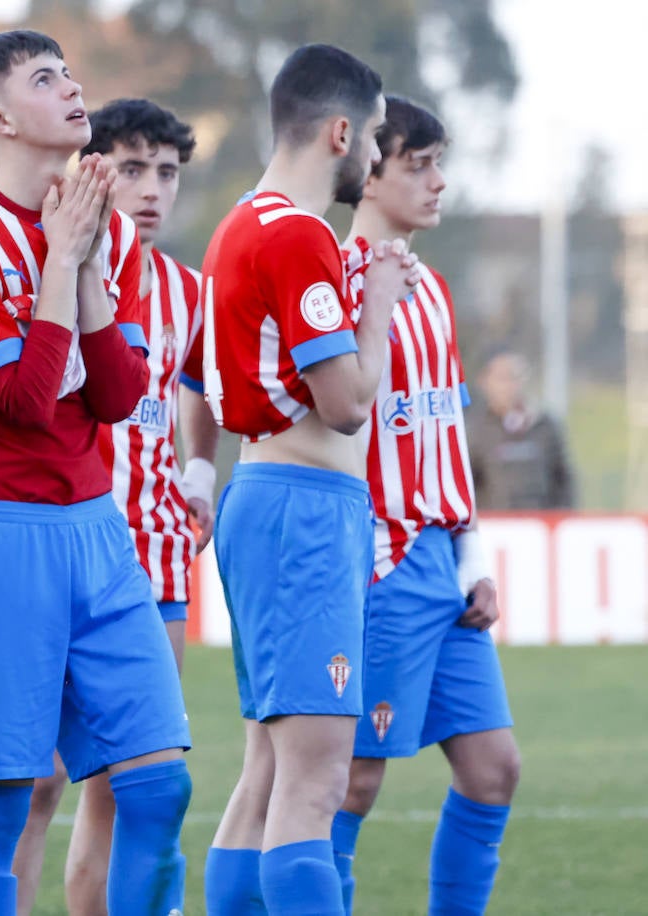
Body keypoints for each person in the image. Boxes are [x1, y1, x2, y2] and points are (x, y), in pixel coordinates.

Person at [0, 30, 192, 916]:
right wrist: (61, 264)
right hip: (5, 537)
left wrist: (92, 263)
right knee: (4, 799)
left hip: (100, 533)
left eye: (69, 73)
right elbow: (27, 401)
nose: (72, 89)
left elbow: (116, 394)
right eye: (44, 79)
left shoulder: (101, 223)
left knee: (157, 784)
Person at [198, 44, 418, 915]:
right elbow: (347, 404)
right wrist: (378, 309)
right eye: (371, 140)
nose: (373, 160)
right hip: (302, 509)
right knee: (315, 783)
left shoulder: (236, 225)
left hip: (262, 498)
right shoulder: (297, 235)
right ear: (338, 130)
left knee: (265, 775)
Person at [332, 96, 520, 916]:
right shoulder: (334, 283)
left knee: (493, 768)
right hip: (378, 562)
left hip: (443, 564)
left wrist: (472, 559)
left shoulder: (432, 287)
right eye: (419, 165)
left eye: (441, 163)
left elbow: (443, 434)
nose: (440, 182)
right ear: (367, 175)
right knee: (348, 782)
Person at [467, 348, 575, 510]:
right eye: (503, 378)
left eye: (516, 377)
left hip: (541, 526)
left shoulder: (544, 425)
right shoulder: (475, 430)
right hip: (494, 529)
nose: (511, 385)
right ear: (484, 382)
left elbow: (563, 479)